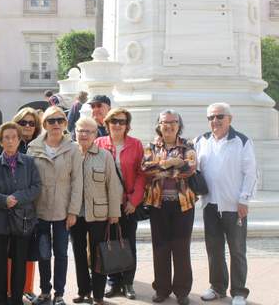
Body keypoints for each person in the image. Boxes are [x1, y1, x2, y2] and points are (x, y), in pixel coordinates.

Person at [195, 103, 256, 305]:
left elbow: (250, 173)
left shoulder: (242, 141)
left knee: (237, 250)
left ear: (230, 118)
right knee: (214, 249)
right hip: (210, 205)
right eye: (211, 117)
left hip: (234, 206)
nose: (215, 121)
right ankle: (217, 287)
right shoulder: (200, 141)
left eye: (220, 116)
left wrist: (244, 200)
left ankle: (239, 292)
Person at [27, 106, 83, 305]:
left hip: (63, 210)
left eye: (60, 120)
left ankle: (59, 293)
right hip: (39, 210)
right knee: (43, 253)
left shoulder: (73, 148)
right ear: (45, 124)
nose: (56, 124)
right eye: (51, 121)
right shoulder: (33, 148)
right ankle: (44, 291)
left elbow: (78, 181)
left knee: (60, 253)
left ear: (65, 124)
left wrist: (73, 211)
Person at [141, 109, 197, 305]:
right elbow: (146, 169)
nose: (169, 125)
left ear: (179, 125)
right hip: (159, 204)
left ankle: (182, 291)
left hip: (184, 205)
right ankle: (162, 289)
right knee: (160, 247)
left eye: (173, 122)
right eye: (165, 122)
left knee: (181, 248)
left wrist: (162, 169)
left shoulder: (188, 145)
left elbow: (190, 168)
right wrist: (173, 164)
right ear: (159, 125)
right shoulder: (150, 147)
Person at [0, 122, 42, 305]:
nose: (10, 141)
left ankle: (16, 299)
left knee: (19, 263)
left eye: (14, 137)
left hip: (23, 220)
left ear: (19, 140)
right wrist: (3, 200)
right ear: (0, 140)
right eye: (6, 137)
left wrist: (17, 197)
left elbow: (36, 187)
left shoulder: (29, 162)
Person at [70, 116, 122, 305]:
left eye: (88, 131)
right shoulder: (70, 153)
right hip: (74, 214)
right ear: (74, 132)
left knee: (99, 254)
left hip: (99, 214)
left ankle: (98, 294)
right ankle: (83, 291)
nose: (84, 134)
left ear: (95, 134)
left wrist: (114, 212)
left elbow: (113, 186)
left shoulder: (104, 155)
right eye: (80, 130)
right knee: (78, 253)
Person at [95, 108, 146, 300]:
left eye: (122, 121)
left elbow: (142, 175)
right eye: (114, 121)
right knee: (110, 241)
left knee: (128, 242)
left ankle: (128, 282)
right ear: (107, 123)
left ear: (127, 125)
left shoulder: (135, 144)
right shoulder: (99, 143)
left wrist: (134, 201)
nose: (117, 124)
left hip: (128, 203)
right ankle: (113, 281)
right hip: (106, 203)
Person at [6, 106, 43, 302]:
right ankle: (12, 289)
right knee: (11, 251)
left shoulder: (40, 144)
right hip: (11, 208)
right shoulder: (8, 143)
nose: (27, 126)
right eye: (23, 122)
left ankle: (27, 288)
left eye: (31, 123)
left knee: (30, 251)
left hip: (35, 208)